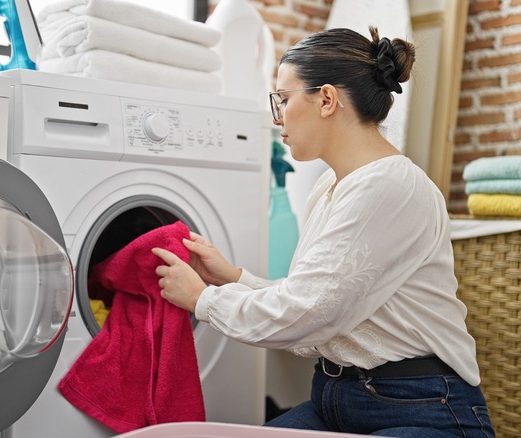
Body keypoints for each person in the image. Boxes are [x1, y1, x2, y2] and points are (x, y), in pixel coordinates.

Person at [152, 26, 495, 437]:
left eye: (283, 99)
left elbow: (307, 315)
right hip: (336, 401)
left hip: (419, 409)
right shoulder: (332, 187)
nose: (276, 116)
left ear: (327, 99)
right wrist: (233, 277)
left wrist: (202, 299)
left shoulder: (390, 185)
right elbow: (318, 296)